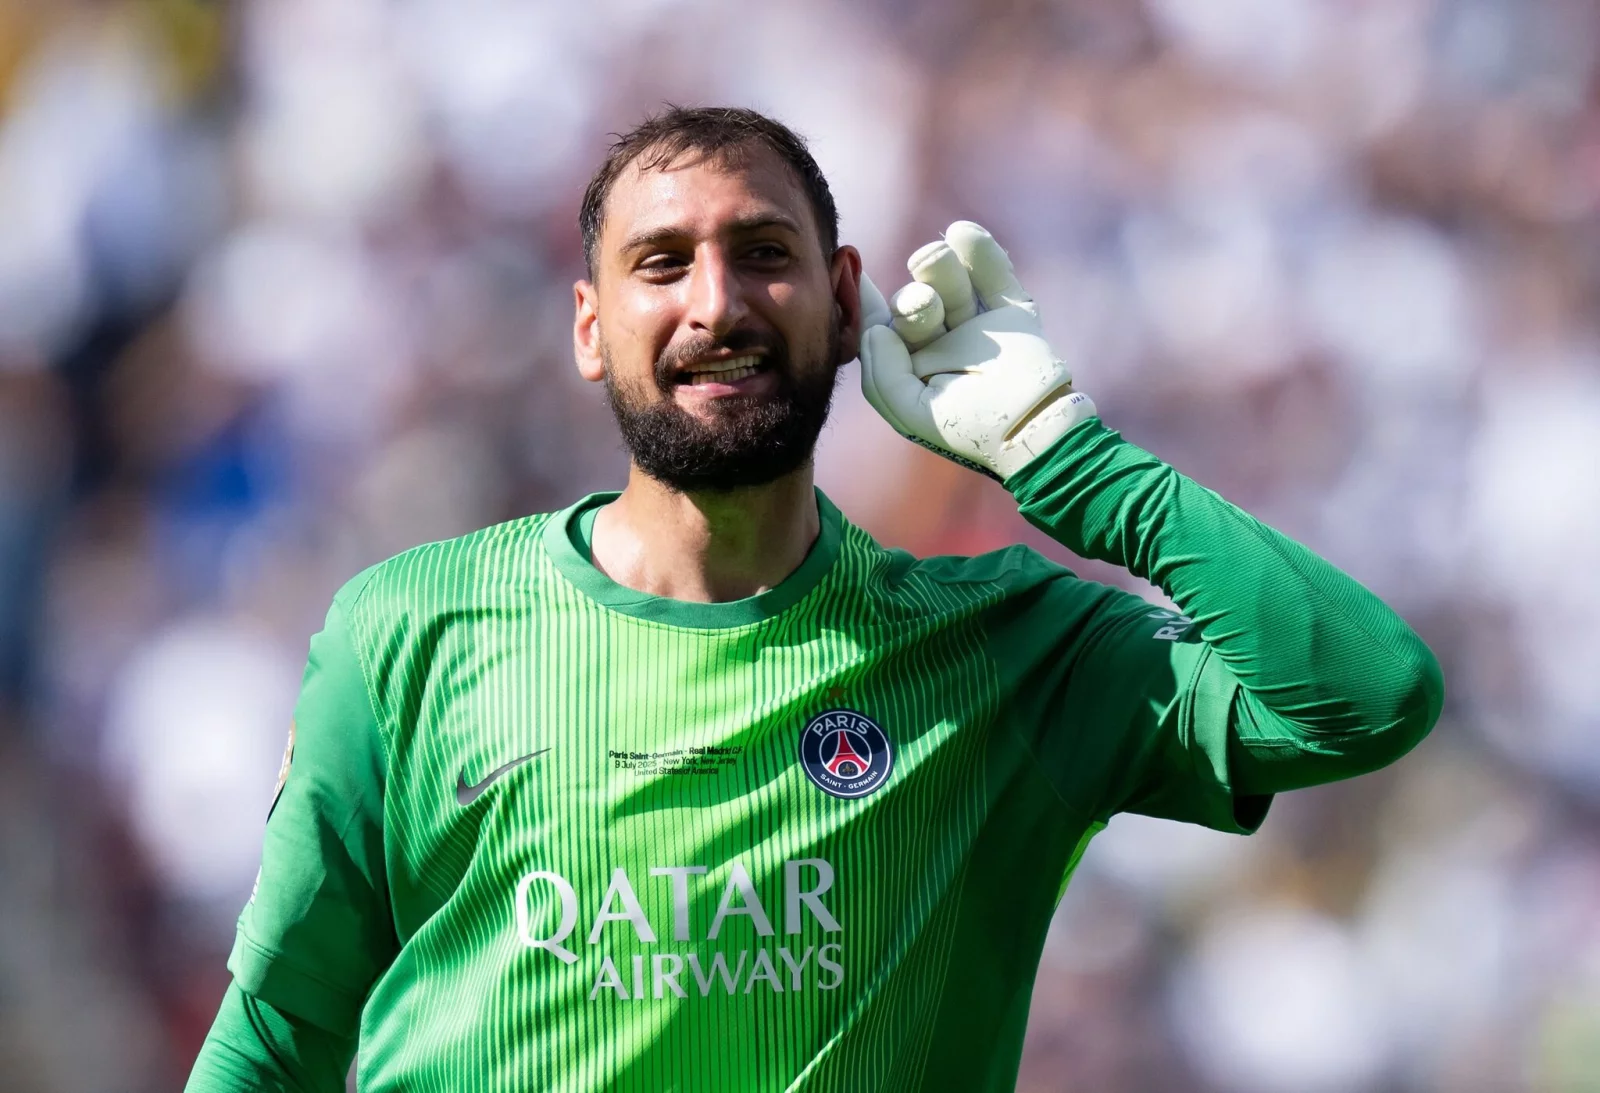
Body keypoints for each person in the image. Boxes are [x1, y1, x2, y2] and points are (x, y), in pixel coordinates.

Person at [185, 105, 1443, 1092]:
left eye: (762, 255)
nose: (716, 303)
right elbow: (276, 1039)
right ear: (589, 326)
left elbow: (1366, 694)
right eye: (661, 264)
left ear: (844, 303)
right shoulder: (406, 630)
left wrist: (1068, 460)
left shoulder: (1001, 648)